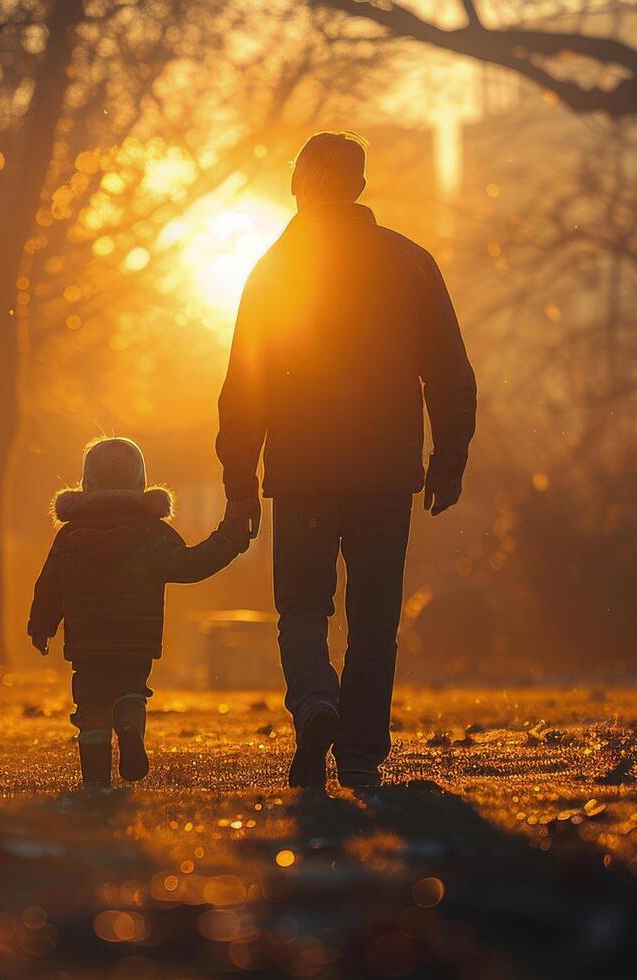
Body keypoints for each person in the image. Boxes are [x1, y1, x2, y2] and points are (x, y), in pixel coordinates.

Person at [216, 131, 478, 789]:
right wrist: (447, 461)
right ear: (359, 189)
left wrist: (239, 481)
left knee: (302, 608)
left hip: (302, 472)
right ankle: (359, 756)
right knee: (373, 623)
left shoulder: (274, 270)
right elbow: (449, 373)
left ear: (297, 186)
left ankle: (314, 703)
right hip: (385, 475)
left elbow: (244, 385)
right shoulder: (409, 262)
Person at [29, 436, 250, 787]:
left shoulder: (70, 535)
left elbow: (49, 584)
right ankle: (130, 725)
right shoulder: (152, 533)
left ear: (87, 482)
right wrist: (230, 538)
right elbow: (192, 565)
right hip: (136, 640)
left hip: (87, 644)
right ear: (140, 481)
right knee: (131, 689)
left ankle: (96, 783)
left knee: (91, 708)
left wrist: (40, 626)